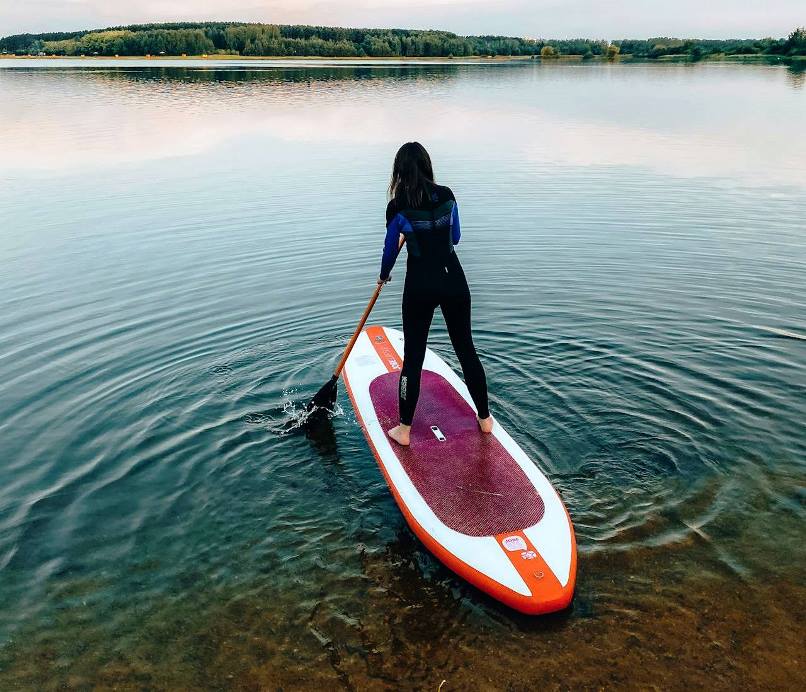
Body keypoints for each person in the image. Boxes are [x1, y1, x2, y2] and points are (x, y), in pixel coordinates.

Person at [379, 142, 493, 446]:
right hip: (453, 278)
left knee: (413, 356)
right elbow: (455, 236)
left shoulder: (398, 205)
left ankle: (403, 429)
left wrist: (383, 274)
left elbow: (390, 249)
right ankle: (485, 419)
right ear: (428, 165)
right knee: (466, 349)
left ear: (399, 171)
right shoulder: (447, 195)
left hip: (420, 284)